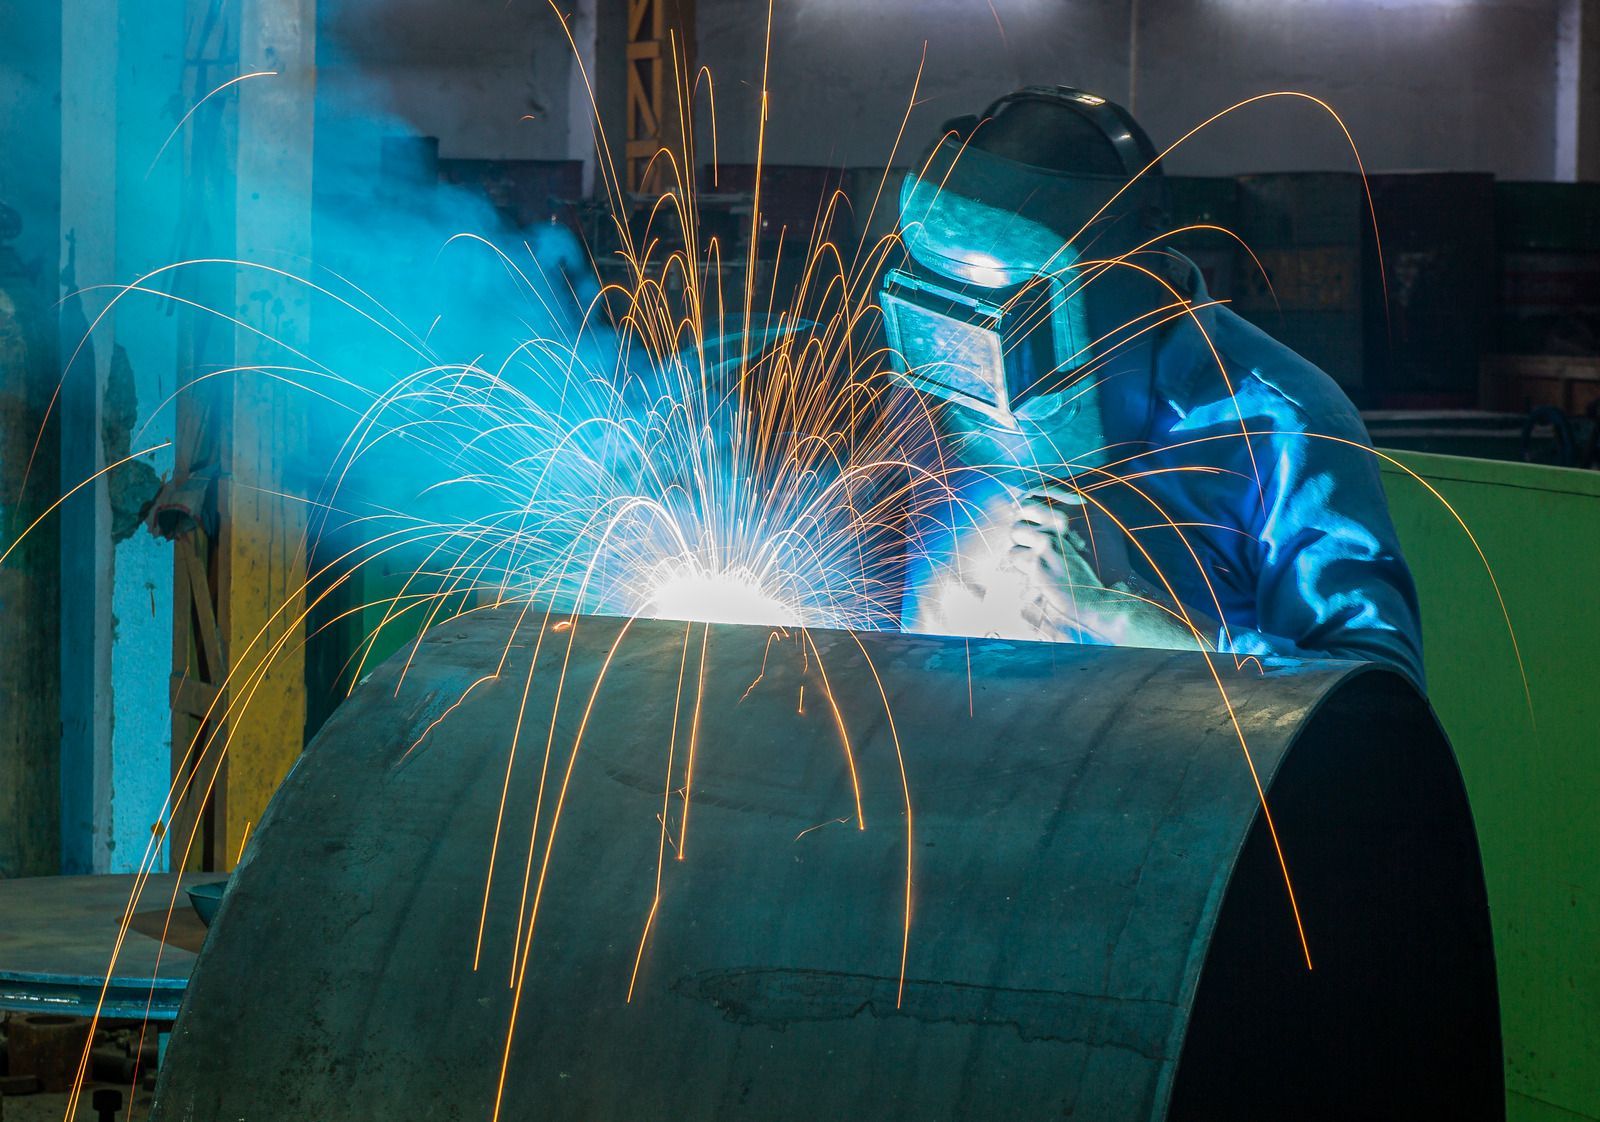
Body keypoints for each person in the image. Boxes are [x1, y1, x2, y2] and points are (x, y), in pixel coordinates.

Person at [885, 85, 1426, 687]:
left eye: (1020, 303)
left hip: (1160, 776)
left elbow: (1376, 699)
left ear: (1119, 275)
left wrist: (1127, 609)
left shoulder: (1283, 423)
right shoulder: (936, 371)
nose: (982, 338)